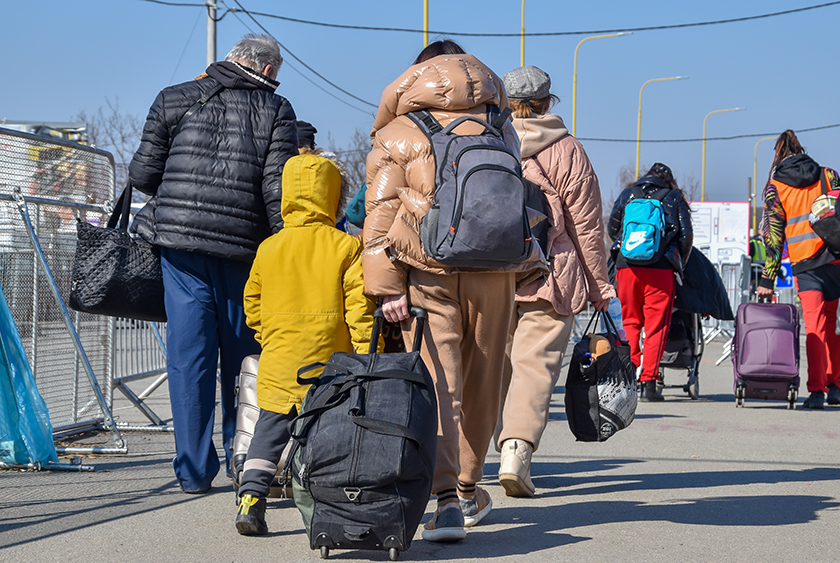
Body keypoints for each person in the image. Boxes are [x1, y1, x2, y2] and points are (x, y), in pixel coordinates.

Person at [363, 40, 547, 542]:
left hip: (428, 273)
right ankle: (468, 488)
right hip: (496, 270)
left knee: (438, 383)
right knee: (485, 380)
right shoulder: (501, 126)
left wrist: (386, 290)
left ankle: (444, 502)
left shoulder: (398, 132)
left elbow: (379, 217)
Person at [128, 33, 298, 493]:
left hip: (181, 248)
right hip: (244, 251)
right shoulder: (276, 110)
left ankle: (193, 471)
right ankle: (243, 458)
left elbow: (143, 175)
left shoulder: (174, 97)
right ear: (266, 70)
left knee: (189, 359)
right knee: (245, 357)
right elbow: (276, 191)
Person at [234, 154, 376, 535]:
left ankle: (250, 497)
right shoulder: (346, 247)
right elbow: (359, 310)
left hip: (280, 359)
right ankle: (328, 505)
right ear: (332, 197)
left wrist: (270, 337)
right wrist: (364, 357)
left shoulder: (270, 248)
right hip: (329, 364)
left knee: (267, 431)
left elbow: (253, 303)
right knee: (330, 433)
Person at [493, 66, 616, 498]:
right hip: (549, 271)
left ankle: (471, 464)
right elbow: (586, 226)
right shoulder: (567, 150)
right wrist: (599, 286)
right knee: (536, 367)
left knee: (493, 369)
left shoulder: (487, 141)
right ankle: (516, 452)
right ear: (548, 103)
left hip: (489, 273)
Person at [756, 130, 840, 410]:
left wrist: (767, 278)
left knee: (815, 326)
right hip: (835, 257)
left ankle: (816, 391)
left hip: (805, 264)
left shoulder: (776, 187)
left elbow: (773, 236)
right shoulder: (828, 175)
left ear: (779, 156)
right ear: (801, 150)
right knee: (835, 325)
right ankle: (834, 385)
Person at [607, 163, 693, 402]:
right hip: (660, 270)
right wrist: (679, 263)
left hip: (627, 267)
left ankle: (627, 379)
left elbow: (612, 228)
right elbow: (686, 236)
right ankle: (648, 385)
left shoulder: (628, 194)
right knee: (656, 328)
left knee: (629, 323)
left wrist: (630, 248)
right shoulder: (673, 197)